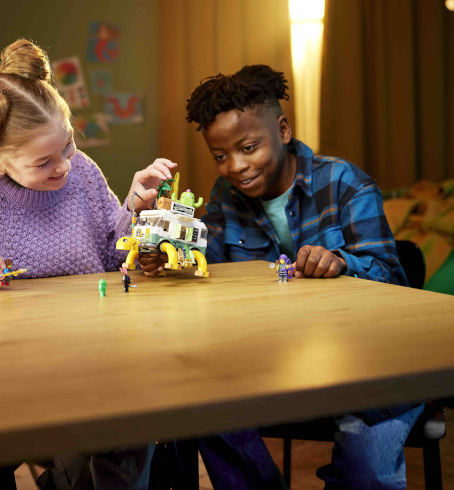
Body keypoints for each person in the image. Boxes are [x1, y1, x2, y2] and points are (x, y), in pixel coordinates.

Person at [0, 39, 174, 490]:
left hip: (95, 356)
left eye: (67, 145)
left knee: (133, 420)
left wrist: (136, 215)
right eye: (44, 161)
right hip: (20, 375)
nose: (63, 165)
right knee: (97, 434)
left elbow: (112, 253)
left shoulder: (81, 171)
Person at [139, 65, 422, 489]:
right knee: (197, 404)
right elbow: (208, 272)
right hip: (274, 362)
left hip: (366, 361)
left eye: (249, 147)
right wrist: (172, 259)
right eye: (220, 156)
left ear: (283, 130)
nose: (236, 166)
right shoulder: (225, 199)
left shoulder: (346, 185)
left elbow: (393, 280)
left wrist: (342, 262)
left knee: (364, 472)